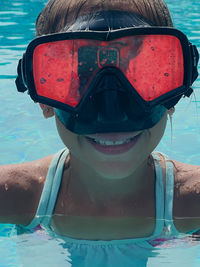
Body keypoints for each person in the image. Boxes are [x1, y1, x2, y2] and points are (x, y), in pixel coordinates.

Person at [1, 0, 200, 265]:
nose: (111, 110)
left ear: (174, 95)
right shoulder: (16, 196)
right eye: (81, 78)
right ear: (45, 101)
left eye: (142, 76)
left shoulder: (193, 202)